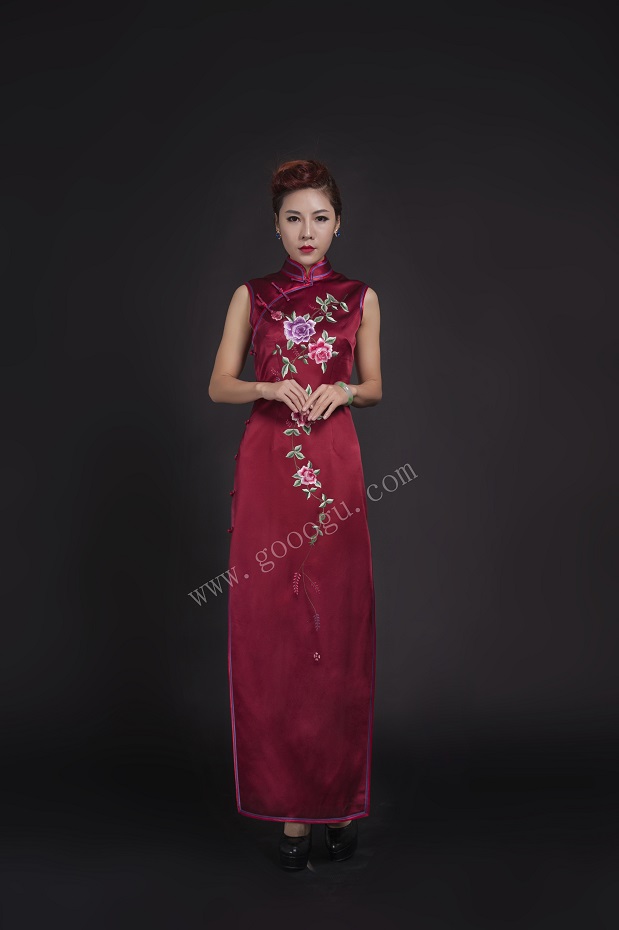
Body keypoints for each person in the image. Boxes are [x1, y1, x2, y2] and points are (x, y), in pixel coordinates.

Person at [208, 158, 382, 870]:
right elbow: (219, 385)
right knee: (274, 630)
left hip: (333, 465)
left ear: (339, 224)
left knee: (337, 629)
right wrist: (270, 386)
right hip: (269, 466)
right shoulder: (251, 296)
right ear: (275, 226)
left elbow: (375, 385)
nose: (306, 231)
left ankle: (337, 801)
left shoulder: (360, 297)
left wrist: (345, 394)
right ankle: (290, 813)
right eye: (293, 218)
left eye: (319, 217)